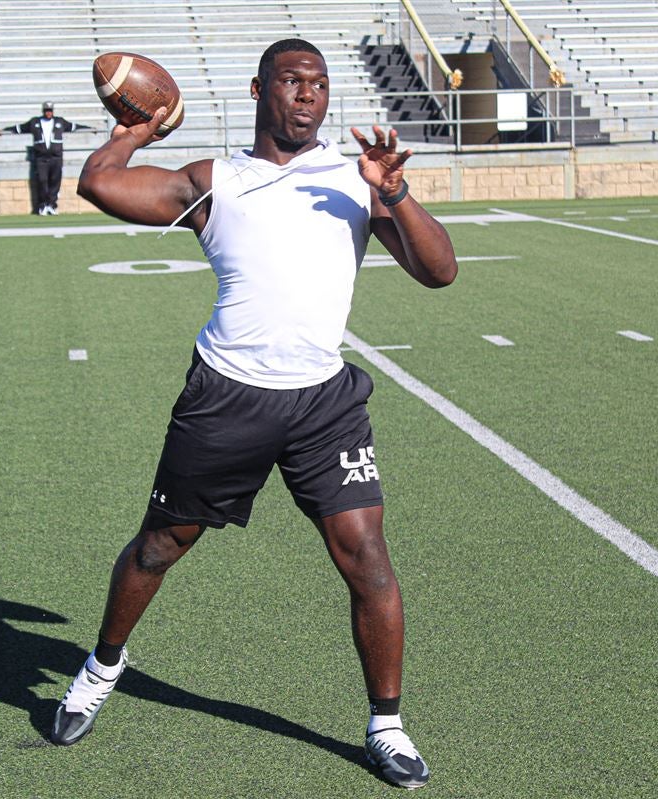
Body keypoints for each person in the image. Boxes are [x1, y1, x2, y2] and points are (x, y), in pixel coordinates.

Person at [52, 39, 457, 790]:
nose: (307, 96)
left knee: (367, 556)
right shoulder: (216, 182)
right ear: (258, 89)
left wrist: (394, 193)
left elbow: (440, 271)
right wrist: (141, 125)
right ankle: (102, 665)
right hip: (227, 393)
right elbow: (99, 185)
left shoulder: (356, 177)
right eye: (292, 81)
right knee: (159, 547)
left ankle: (387, 725)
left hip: (323, 403)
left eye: (320, 85)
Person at [0, 101, 88, 215]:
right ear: (43, 111)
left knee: (55, 181)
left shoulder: (59, 121)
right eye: (46, 110)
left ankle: (52, 205)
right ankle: (43, 206)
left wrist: (90, 128)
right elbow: (19, 128)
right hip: (41, 158)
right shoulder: (35, 122)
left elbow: (74, 126)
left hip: (56, 157)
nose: (48, 113)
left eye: (50, 110)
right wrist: (5, 130)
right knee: (42, 181)